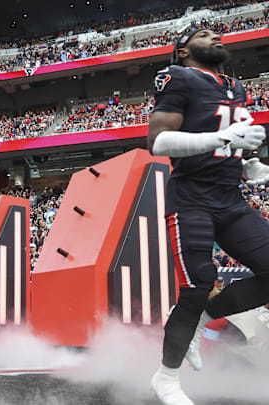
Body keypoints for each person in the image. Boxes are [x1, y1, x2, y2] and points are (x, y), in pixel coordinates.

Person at [147, 29, 269, 405]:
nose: (216, 37)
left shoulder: (236, 87)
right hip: (191, 200)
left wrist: (250, 165)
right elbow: (158, 142)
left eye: (218, 33)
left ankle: (204, 318)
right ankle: (166, 378)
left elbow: (228, 140)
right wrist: (224, 139)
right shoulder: (179, 76)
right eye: (204, 34)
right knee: (198, 282)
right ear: (183, 51)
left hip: (230, 199)